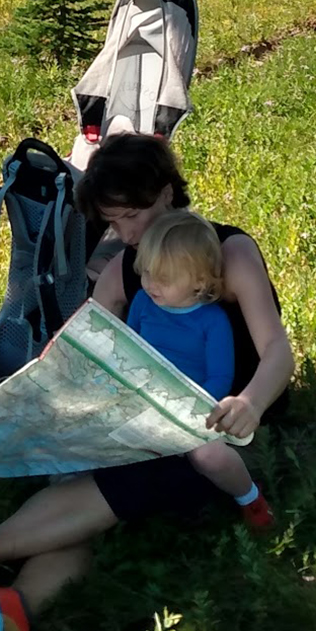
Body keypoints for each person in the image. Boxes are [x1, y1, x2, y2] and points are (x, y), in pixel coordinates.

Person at [0, 134, 294, 631]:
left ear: (165, 194)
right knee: (100, 474)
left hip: (223, 427)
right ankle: (16, 606)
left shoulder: (226, 252)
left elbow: (277, 350)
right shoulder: (126, 268)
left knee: (131, 477)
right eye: (112, 223)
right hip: (150, 419)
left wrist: (249, 402)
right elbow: (79, 351)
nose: (123, 234)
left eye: (129, 217)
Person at [124, 209, 273, 530]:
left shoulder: (212, 320)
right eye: (146, 272)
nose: (150, 284)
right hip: (143, 399)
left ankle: (249, 497)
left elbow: (220, 376)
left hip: (191, 407)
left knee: (207, 456)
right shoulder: (141, 302)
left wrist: (191, 406)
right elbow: (128, 347)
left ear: (200, 281)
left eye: (163, 278)